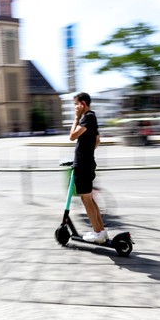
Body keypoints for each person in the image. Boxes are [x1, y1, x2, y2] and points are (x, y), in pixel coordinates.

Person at [69, 92, 107, 243]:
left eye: (76, 104)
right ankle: (101, 231)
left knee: (86, 199)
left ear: (82, 104)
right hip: (87, 162)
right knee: (89, 198)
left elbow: (72, 136)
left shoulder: (87, 117)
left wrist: (77, 117)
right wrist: (88, 150)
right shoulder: (93, 117)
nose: (75, 107)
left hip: (83, 164)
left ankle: (97, 233)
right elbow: (97, 140)